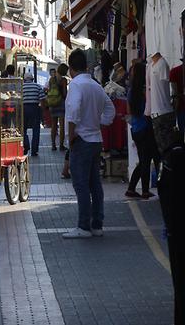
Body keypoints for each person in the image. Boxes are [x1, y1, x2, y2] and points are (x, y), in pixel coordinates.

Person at [62, 49, 115, 239]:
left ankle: (83, 226)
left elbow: (74, 111)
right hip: (95, 139)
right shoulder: (95, 85)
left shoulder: (76, 86)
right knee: (95, 184)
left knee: (81, 184)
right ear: (86, 66)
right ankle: (97, 224)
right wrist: (99, 122)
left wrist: (71, 137)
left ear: (70, 68)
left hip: (82, 139)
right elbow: (110, 109)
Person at [125, 61, 159, 199]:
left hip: (136, 129)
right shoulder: (145, 91)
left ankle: (134, 189)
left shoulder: (131, 92)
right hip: (146, 127)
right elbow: (149, 109)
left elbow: (129, 112)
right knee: (146, 159)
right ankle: (141, 190)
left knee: (144, 159)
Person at [45, 64, 68, 151]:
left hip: (52, 103)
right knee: (61, 126)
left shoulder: (52, 79)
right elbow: (65, 93)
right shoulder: (63, 80)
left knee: (54, 125)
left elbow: (50, 91)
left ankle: (53, 145)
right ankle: (61, 145)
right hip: (61, 103)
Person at [21, 72, 45, 156]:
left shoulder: (21, 87)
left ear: (24, 79)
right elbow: (42, 100)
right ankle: (34, 151)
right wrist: (43, 112)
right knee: (36, 130)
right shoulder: (38, 86)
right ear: (33, 79)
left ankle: (25, 146)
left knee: (23, 129)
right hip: (35, 108)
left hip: (23, 108)